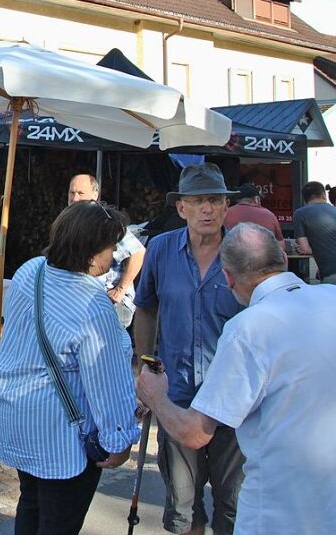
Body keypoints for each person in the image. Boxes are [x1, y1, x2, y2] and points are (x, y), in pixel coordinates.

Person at [137, 223, 336, 535]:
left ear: (228, 277)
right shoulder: (331, 298)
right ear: (283, 258)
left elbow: (194, 433)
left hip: (277, 514)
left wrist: (156, 397)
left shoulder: (248, 328)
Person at [0, 202, 140, 535]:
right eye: (110, 248)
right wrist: (119, 440)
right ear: (89, 253)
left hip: (14, 412)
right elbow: (107, 381)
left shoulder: (31, 270)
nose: (113, 257)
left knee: (31, 503)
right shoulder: (92, 303)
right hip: (59, 432)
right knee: (58, 522)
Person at [133, 162, 245, 535]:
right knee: (183, 508)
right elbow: (145, 306)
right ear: (181, 208)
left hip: (234, 400)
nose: (207, 210)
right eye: (197, 201)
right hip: (177, 396)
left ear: (227, 206)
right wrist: (147, 364)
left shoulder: (244, 253)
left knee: (234, 504)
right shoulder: (161, 249)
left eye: (214, 200)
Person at [66, 172, 145, 328]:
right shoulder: (71, 222)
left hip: (110, 304)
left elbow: (138, 252)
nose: (75, 198)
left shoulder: (105, 221)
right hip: (84, 303)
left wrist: (121, 289)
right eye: (72, 193)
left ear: (95, 194)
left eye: (81, 193)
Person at [293, 180, 336, 284]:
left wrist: (317, 249)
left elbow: (304, 248)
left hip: (330, 274)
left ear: (305, 199)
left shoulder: (300, 213)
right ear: (323, 195)